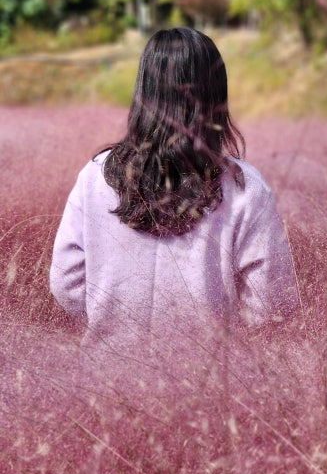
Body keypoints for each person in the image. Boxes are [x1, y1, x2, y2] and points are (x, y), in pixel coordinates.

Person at [49, 27, 298, 348]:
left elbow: (65, 280)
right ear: (215, 96)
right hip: (211, 386)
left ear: (144, 92)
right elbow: (271, 303)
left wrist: (111, 324)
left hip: (104, 378)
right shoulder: (246, 187)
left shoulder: (95, 176)